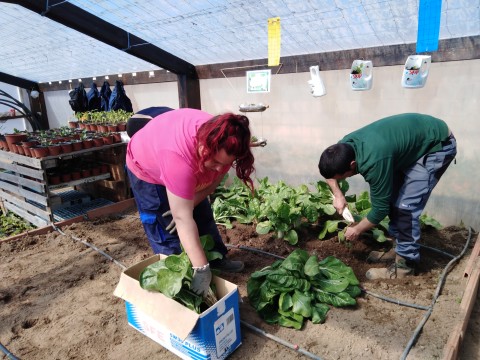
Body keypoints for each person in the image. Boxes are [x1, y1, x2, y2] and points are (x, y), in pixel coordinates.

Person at [126, 108, 255, 296]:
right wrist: (201, 269)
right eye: (217, 162)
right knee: (164, 228)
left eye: (225, 163)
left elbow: (213, 180)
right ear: (204, 146)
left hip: (185, 160)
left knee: (202, 214)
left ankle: (216, 259)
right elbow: (182, 218)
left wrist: (192, 202)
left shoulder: (223, 139)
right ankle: (177, 282)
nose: (220, 168)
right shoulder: (178, 158)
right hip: (147, 169)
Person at [318, 113, 457, 279]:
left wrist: (357, 229)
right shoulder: (343, 147)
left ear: (352, 165)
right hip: (414, 141)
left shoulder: (374, 163)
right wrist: (338, 194)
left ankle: (404, 267)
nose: (342, 180)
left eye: (344, 176)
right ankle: (399, 249)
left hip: (436, 146)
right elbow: (328, 172)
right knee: (392, 199)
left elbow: (380, 210)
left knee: (406, 208)